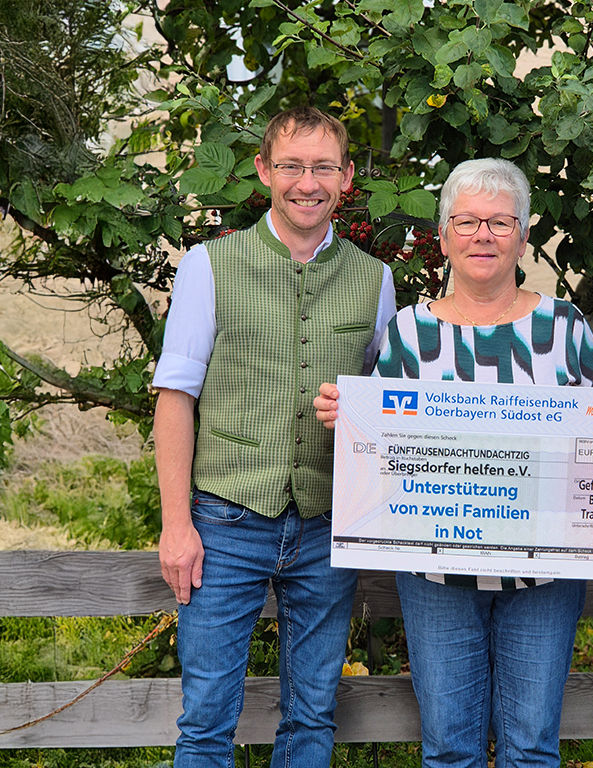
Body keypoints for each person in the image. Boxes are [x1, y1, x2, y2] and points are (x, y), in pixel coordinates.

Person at [315, 157, 593, 768]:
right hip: (435, 574)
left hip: (543, 577)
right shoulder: (407, 333)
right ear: (442, 238)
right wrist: (346, 414)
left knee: (532, 748)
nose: (483, 236)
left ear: (522, 236)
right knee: (446, 750)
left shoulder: (566, 327)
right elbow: (377, 447)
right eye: (466, 222)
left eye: (499, 222)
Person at [152, 106, 397, 767]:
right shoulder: (208, 266)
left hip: (325, 527)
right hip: (224, 523)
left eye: (322, 167)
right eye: (291, 165)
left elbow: (390, 412)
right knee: (206, 723)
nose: (306, 182)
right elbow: (175, 399)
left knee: (314, 719)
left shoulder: (376, 281)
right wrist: (177, 524)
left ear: (346, 178)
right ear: (264, 171)